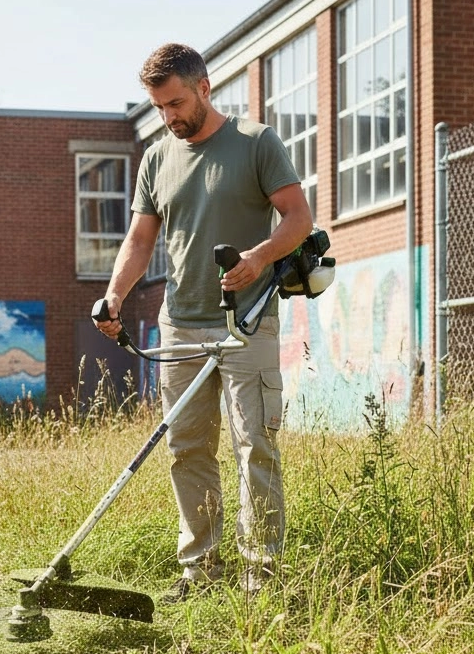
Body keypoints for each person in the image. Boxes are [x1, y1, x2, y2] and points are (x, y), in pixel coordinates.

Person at [95, 42, 313, 602]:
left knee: (254, 448)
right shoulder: (156, 159)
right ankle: (200, 575)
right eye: (159, 107)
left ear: (204, 87)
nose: (168, 117)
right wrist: (115, 295)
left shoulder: (255, 142)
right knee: (187, 449)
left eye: (175, 103)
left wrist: (259, 257)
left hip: (247, 323)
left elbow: (298, 215)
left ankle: (261, 583)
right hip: (180, 325)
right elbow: (141, 240)